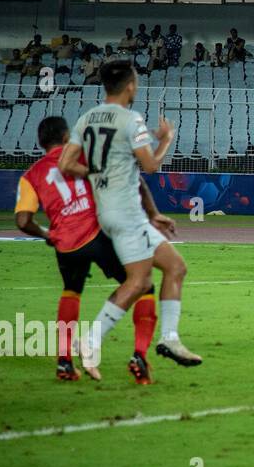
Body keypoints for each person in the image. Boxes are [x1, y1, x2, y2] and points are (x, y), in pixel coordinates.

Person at [57, 59, 201, 375]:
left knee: (175, 267)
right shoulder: (131, 119)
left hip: (112, 210)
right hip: (124, 211)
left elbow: (66, 164)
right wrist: (165, 140)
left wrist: (96, 172)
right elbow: (150, 166)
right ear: (131, 85)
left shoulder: (86, 118)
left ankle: (169, 338)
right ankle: (90, 339)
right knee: (139, 282)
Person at [15, 115, 171, 383]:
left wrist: (46, 234)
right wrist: (151, 213)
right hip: (96, 233)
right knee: (143, 284)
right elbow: (132, 178)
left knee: (71, 291)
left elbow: (23, 221)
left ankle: (64, 363)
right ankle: (139, 356)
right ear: (66, 138)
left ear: (41, 144)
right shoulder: (86, 155)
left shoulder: (30, 177)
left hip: (65, 243)